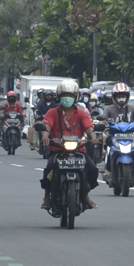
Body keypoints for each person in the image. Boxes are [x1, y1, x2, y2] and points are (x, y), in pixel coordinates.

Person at [39, 80, 99, 210]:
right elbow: (47, 127)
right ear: (59, 96)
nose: (68, 99)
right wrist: (45, 137)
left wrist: (93, 138)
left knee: (93, 170)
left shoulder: (82, 114)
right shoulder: (52, 113)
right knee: (50, 168)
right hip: (57, 149)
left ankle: (85, 194)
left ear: (76, 97)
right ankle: (47, 195)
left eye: (71, 96)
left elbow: (89, 129)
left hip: (78, 150)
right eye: (65, 95)